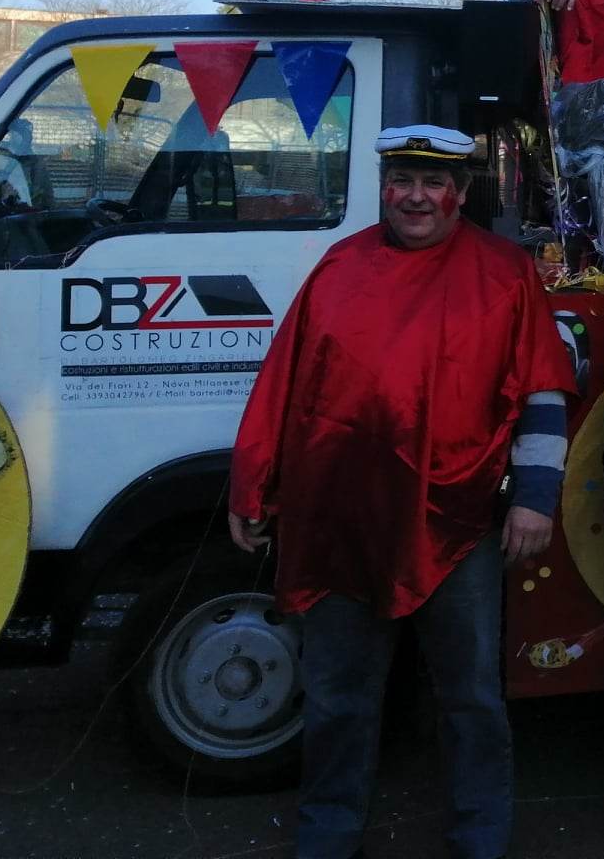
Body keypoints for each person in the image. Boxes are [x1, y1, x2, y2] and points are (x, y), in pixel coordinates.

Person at [228, 125, 574, 859]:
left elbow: (543, 390)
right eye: (403, 180)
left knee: (471, 698)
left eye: (434, 182)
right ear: (384, 186)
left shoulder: (505, 272)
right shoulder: (339, 268)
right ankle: (328, 832)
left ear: (458, 193)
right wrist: (252, 486)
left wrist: (537, 495)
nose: (417, 196)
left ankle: (481, 835)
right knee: (338, 697)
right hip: (340, 520)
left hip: (458, 523)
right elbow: (283, 389)